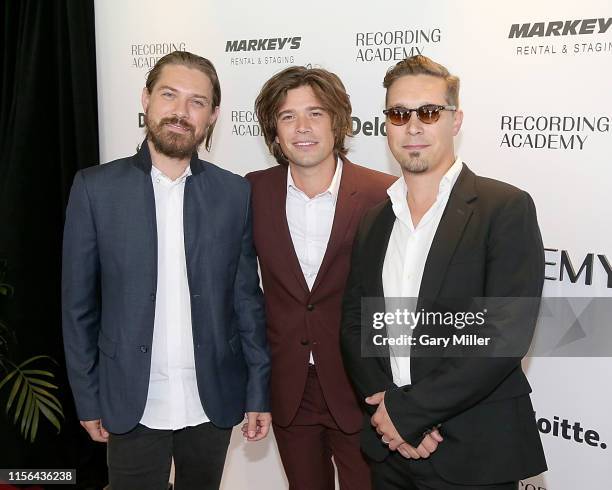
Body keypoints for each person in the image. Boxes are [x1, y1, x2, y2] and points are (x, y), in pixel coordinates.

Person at [62, 51, 271, 490]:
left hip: (210, 399)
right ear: (146, 99)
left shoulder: (234, 193)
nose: (181, 111)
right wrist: (87, 397)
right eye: (169, 95)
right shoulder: (95, 189)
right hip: (130, 400)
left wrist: (257, 391)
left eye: (197, 102)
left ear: (213, 115)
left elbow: (246, 301)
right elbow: (78, 308)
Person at [340, 55, 547, 489]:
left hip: (474, 451)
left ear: (455, 121)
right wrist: (387, 414)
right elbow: (356, 323)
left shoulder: (503, 208)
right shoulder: (375, 220)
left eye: (429, 112)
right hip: (390, 449)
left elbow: (503, 336)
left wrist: (409, 415)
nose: (413, 126)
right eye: (399, 114)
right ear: (386, 125)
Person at [246, 66, 395, 489]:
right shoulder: (253, 191)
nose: (303, 127)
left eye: (315, 113)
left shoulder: (382, 193)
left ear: (338, 121)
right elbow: (245, 294)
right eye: (288, 116)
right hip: (289, 388)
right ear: (274, 131)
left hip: (362, 387)